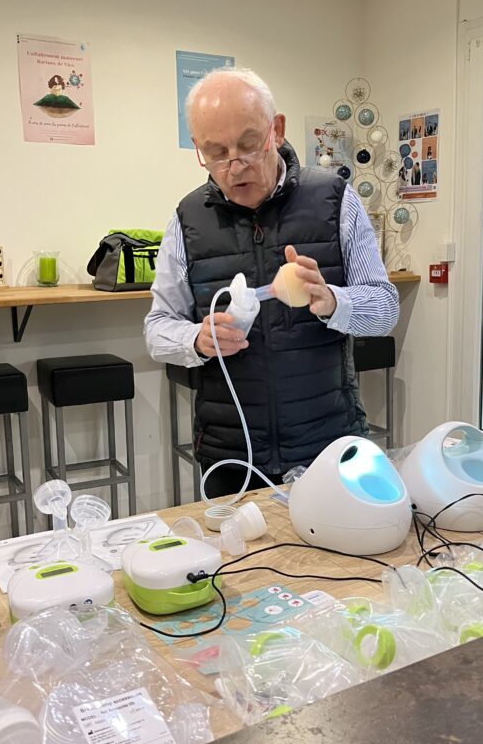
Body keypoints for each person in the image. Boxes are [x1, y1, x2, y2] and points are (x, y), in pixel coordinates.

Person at [145, 68, 399, 498]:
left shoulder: (335, 200)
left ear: (276, 130)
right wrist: (196, 339)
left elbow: (385, 309)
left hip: (327, 443)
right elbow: (157, 328)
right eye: (216, 152)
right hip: (231, 453)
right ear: (198, 149)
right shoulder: (188, 219)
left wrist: (333, 301)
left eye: (248, 145)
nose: (234, 166)